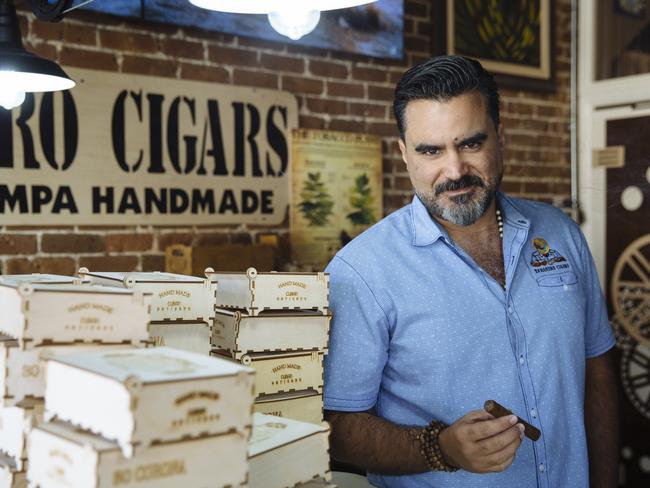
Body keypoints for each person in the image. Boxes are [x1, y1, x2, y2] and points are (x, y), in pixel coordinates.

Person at [322, 55, 619, 488]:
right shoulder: (361, 271)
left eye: (471, 143)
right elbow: (336, 426)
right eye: (431, 150)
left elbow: (598, 368)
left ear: (500, 137)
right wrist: (440, 447)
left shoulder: (561, 235)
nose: (455, 170)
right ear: (405, 154)